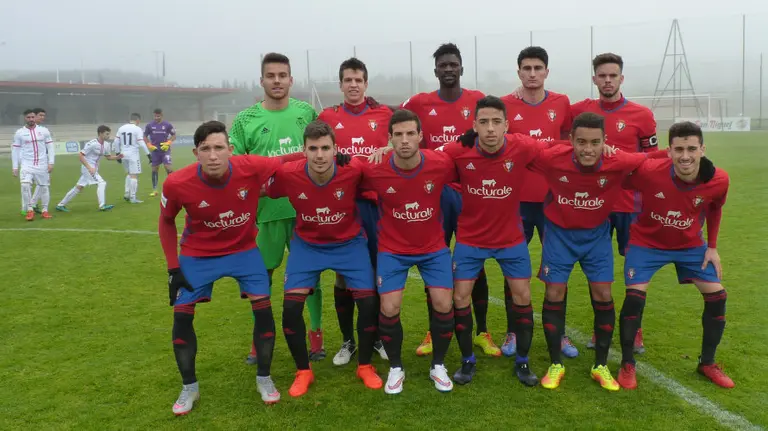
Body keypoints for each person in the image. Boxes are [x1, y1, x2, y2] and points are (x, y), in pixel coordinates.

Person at [159, 121, 350, 414]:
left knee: (263, 311)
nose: (213, 156)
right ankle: (189, 388)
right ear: (196, 152)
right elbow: (166, 221)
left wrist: (336, 156)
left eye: (219, 148)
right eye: (206, 149)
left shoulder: (250, 166)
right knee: (182, 319)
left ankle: (264, 378)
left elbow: (285, 160)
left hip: (243, 251)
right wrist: (173, 268)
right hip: (197, 255)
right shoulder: (176, 183)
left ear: (230, 150)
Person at [528, 112, 667, 391]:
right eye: (581, 142)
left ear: (605, 141)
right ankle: (555, 363)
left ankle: (600, 365)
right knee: (554, 292)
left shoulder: (619, 160)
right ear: (571, 141)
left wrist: (687, 154)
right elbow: (517, 146)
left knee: (603, 294)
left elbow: (652, 157)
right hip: (559, 235)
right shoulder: (552, 157)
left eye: (594, 142)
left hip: (596, 237)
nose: (587, 149)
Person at [266, 121, 382, 396]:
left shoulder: (353, 168)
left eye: (325, 148)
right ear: (303, 151)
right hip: (307, 246)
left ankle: (365, 366)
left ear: (335, 149)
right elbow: (259, 189)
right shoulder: (288, 174)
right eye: (313, 148)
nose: (320, 155)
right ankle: (303, 371)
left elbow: (386, 179)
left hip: (349, 244)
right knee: (291, 309)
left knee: (368, 303)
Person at [616, 121, 733, 389]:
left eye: (692, 148)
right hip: (646, 243)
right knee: (634, 298)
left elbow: (714, 209)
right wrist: (649, 156)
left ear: (702, 149)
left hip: (690, 246)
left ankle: (707, 363)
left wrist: (712, 246)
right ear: (669, 151)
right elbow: (618, 176)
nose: (685, 156)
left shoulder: (719, 180)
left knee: (717, 297)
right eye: (678, 149)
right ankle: (627, 363)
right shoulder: (649, 171)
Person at [361, 109, 471, 394]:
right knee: (389, 307)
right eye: (398, 135)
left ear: (421, 136)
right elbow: (342, 173)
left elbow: (467, 158)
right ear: (390, 139)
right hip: (393, 249)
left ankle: (438, 365)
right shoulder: (375, 168)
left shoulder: (440, 163)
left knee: (444, 304)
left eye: (411, 133)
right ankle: (396, 368)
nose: (405, 140)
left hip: (433, 248)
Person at [401, 43, 497, 358]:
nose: (448, 69)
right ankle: (434, 330)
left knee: (475, 263)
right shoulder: (419, 103)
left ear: (461, 67)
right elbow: (398, 130)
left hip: (471, 193)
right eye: (443, 64)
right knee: (435, 263)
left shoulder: (477, 101)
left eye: (453, 64)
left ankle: (482, 331)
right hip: (434, 195)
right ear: (436, 70)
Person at [230, 53, 326, 364]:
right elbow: (237, 167)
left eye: (282, 75)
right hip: (266, 215)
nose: (277, 81)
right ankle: (260, 340)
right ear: (262, 80)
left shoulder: (306, 112)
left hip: (304, 212)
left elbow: (321, 153)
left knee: (309, 277)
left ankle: (316, 337)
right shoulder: (246, 120)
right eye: (271, 75)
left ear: (290, 80)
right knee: (262, 278)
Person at [572, 53, 658, 354]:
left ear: (621, 78)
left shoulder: (642, 115)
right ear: (594, 78)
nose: (607, 80)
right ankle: (602, 328)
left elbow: (652, 161)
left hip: (629, 206)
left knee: (635, 269)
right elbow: (546, 113)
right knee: (597, 271)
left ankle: (635, 331)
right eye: (602, 75)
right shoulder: (581, 111)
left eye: (613, 75)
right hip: (593, 206)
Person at [501, 46, 578, 359]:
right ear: (518, 72)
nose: (532, 74)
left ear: (547, 72)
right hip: (515, 203)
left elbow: (570, 145)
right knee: (513, 268)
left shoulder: (562, 103)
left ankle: (557, 335)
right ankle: (511, 332)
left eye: (538, 68)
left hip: (552, 202)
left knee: (556, 269)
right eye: (526, 68)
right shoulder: (505, 105)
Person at [317, 57, 392, 365]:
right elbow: (316, 154)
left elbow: (408, 142)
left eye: (358, 79)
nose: (353, 84)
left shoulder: (385, 114)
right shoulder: (327, 116)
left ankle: (375, 338)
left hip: (375, 205)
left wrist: (388, 149)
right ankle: (348, 340)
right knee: (343, 276)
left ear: (365, 83)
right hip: (341, 205)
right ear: (340, 84)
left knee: (375, 274)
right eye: (347, 80)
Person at [55, 125, 122, 212]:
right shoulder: (92, 143)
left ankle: (60, 205)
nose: (108, 136)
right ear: (100, 134)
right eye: (106, 134)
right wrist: (89, 167)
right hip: (88, 168)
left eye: (109, 134)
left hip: (94, 168)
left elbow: (108, 157)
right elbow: (81, 155)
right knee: (102, 183)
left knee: (79, 187)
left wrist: (118, 157)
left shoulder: (106, 145)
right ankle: (102, 206)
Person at [12, 109, 54, 220]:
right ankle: (30, 210)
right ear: (25, 118)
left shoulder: (44, 131)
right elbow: (15, 151)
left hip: (42, 164)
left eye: (32, 117)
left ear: (35, 117)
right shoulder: (19, 133)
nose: (31, 119)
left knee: (44, 187)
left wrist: (51, 162)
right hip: (27, 164)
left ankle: (45, 210)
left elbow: (50, 147)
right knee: (25, 185)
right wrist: (15, 166)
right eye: (28, 117)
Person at [113, 113, 150, 204]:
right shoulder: (137, 129)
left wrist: (117, 154)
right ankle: (133, 197)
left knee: (129, 174)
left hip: (123, 154)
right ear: (138, 120)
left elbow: (116, 141)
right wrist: (148, 154)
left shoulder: (121, 128)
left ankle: (126, 193)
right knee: (134, 175)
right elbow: (141, 142)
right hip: (133, 154)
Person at [145, 108, 176, 197]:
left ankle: (173, 188)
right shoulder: (149, 125)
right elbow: (145, 136)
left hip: (165, 150)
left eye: (158, 116)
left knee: (168, 168)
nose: (156, 118)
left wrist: (168, 142)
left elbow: (174, 135)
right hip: (155, 150)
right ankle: (155, 190)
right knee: (154, 169)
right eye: (155, 116)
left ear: (162, 115)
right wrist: (148, 144)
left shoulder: (167, 125)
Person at [29, 108, 51, 214]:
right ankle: (31, 205)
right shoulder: (27, 131)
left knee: (42, 183)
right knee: (41, 183)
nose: (42, 117)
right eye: (40, 115)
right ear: (34, 116)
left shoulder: (43, 130)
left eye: (43, 115)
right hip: (32, 162)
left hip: (42, 161)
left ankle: (32, 204)